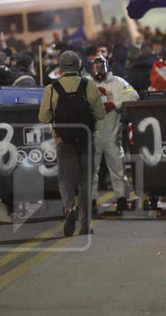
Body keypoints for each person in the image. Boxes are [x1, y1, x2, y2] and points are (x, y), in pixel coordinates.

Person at [38, 51, 106, 237]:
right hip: (86, 139)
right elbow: (101, 115)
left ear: (60, 68)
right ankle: (85, 225)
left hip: (63, 141)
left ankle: (69, 208)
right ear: (79, 65)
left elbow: (43, 117)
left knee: (65, 179)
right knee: (86, 182)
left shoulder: (52, 89)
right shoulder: (89, 85)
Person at [90, 55, 138, 215]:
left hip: (112, 132)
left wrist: (115, 104)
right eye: (96, 66)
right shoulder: (87, 83)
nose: (99, 70)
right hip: (94, 133)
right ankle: (91, 202)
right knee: (92, 170)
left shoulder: (117, 82)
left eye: (101, 66)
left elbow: (133, 95)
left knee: (117, 167)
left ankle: (121, 199)